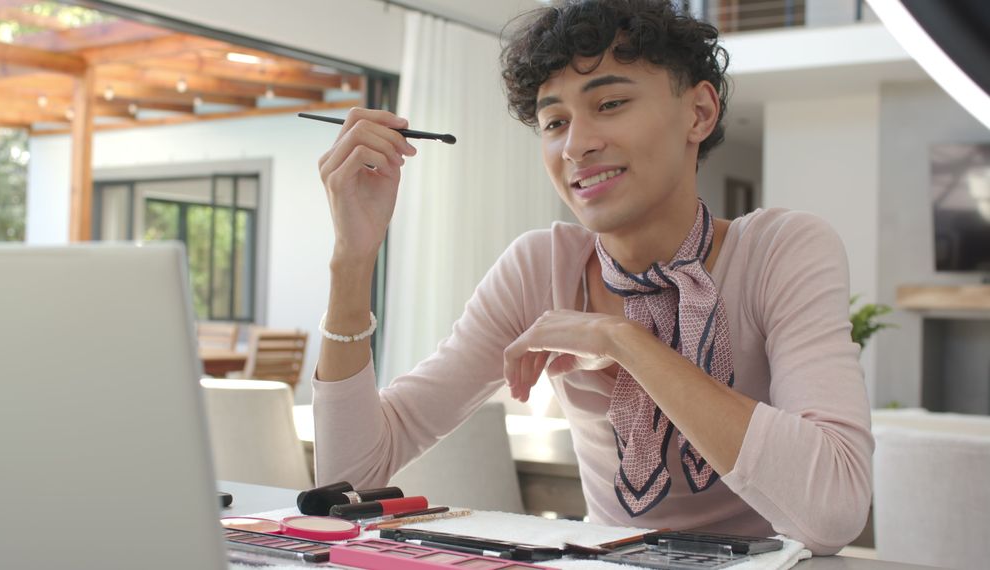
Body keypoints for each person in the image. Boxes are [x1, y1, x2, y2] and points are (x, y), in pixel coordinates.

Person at [310, 0, 871, 556]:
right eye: (556, 122)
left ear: (699, 113)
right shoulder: (540, 268)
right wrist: (352, 258)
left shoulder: (780, 250)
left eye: (610, 103)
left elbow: (833, 513)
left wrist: (623, 341)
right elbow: (350, 474)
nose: (576, 145)